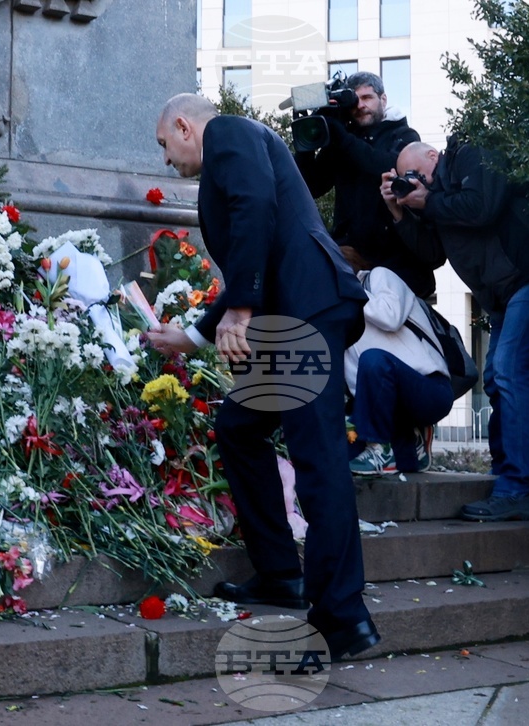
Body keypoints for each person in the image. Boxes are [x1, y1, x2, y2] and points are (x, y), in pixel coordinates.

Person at [148, 93, 381, 660]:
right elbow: (260, 242)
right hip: (290, 314)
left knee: (319, 459)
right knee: (239, 427)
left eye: (164, 144)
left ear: (184, 125)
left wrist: (242, 309)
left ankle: (344, 619)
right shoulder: (232, 153)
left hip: (306, 310)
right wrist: (195, 335)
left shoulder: (228, 131)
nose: (166, 159)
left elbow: (255, 210)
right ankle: (282, 573)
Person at [382, 136, 529, 521]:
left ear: (433, 156)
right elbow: (431, 254)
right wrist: (400, 213)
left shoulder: (470, 156)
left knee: (510, 373)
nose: (415, 182)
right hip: (503, 295)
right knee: (497, 378)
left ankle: (516, 488)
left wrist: (427, 202)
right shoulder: (439, 200)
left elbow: (482, 207)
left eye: (415, 174)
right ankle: (511, 483)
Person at [294, 72, 435, 298]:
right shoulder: (343, 139)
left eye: (367, 98)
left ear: (383, 99)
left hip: (397, 264)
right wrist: (307, 138)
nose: (360, 105)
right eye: (354, 100)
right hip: (349, 256)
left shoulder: (404, 136)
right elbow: (311, 186)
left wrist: (342, 136)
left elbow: (383, 165)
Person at [346, 266, 454, 476]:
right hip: (388, 407)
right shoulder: (339, 319)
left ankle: (380, 448)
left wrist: (348, 292)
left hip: (429, 388)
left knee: (374, 359)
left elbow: (390, 316)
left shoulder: (378, 277)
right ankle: (411, 450)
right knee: (343, 456)